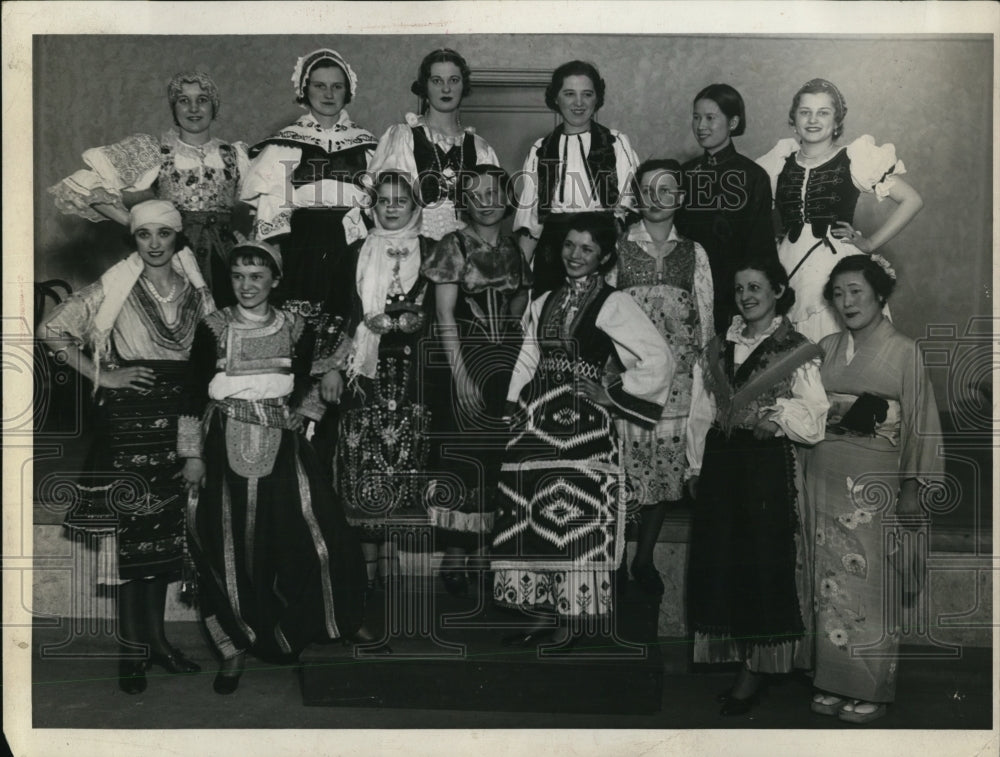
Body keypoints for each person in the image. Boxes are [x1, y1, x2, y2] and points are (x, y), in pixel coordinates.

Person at [178, 238, 378, 695]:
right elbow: (191, 393)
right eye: (237, 277)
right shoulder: (212, 327)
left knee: (320, 534)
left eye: (256, 277)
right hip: (222, 445)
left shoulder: (296, 326)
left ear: (275, 281)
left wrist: (306, 411)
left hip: (283, 445)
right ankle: (232, 650)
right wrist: (191, 454)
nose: (246, 286)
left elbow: (310, 377)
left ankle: (338, 620)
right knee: (228, 548)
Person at [40, 200, 215, 694]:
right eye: (145, 235)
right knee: (133, 542)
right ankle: (133, 651)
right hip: (130, 423)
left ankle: (157, 644)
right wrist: (105, 373)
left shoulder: (198, 292)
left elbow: (208, 360)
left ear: (178, 238)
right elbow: (50, 329)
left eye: (164, 234)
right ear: (133, 239)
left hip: (179, 416)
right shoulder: (116, 286)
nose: (155, 243)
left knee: (163, 542)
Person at [492, 212, 673, 647]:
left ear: (605, 256)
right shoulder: (543, 300)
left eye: (587, 249)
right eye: (570, 246)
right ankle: (539, 611)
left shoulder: (614, 303)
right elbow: (529, 357)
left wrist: (613, 393)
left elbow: (659, 357)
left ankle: (569, 621)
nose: (575, 255)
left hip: (584, 428)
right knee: (531, 515)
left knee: (572, 517)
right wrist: (512, 402)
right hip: (537, 422)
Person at [685, 256, 829, 716]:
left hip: (767, 469)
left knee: (761, 564)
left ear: (778, 292)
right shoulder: (716, 349)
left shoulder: (796, 348)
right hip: (723, 468)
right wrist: (693, 468)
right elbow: (699, 413)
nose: (746, 296)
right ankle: (741, 659)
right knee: (725, 560)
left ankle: (756, 670)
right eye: (740, 288)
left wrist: (779, 416)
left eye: (756, 288)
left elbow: (815, 418)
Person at [803, 255, 943, 724]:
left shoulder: (903, 350)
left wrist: (912, 488)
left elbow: (921, 425)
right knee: (828, 579)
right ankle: (831, 680)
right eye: (838, 294)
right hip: (825, 470)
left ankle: (872, 689)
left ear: (880, 294)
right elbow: (809, 412)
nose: (846, 302)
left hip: (875, 481)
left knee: (871, 581)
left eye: (856, 291)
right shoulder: (824, 346)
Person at [241, 48, 378, 469]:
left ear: (348, 91)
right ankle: (291, 442)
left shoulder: (369, 145)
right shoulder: (286, 143)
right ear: (305, 89)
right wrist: (278, 259)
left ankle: (334, 449)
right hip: (301, 246)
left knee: (348, 326)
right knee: (300, 337)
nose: (328, 93)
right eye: (319, 85)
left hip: (352, 246)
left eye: (337, 86)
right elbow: (272, 207)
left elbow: (378, 206)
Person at [421, 164, 532, 597]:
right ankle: (454, 552)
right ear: (465, 201)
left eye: (495, 193)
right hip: (462, 360)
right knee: (462, 456)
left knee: (496, 454)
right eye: (477, 193)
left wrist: (512, 328)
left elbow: (522, 297)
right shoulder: (453, 245)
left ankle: (486, 552)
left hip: (504, 362)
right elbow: (445, 315)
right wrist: (462, 374)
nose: (487, 201)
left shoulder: (512, 248)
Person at [49, 71, 250, 306]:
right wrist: (134, 222)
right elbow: (86, 184)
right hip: (171, 258)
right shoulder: (157, 151)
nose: (193, 108)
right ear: (174, 109)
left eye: (202, 100)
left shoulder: (237, 156)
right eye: (184, 101)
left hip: (224, 261)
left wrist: (248, 241)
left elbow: (267, 204)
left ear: (213, 107)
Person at [609, 159, 714, 594]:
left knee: (663, 470)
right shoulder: (616, 248)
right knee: (624, 469)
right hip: (629, 377)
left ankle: (645, 558)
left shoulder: (694, 252)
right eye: (648, 189)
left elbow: (705, 318)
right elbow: (604, 312)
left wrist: (703, 374)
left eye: (666, 189)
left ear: (680, 198)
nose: (657, 197)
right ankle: (613, 559)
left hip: (678, 383)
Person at [756, 78, 923, 343]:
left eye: (823, 112)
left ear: (837, 122)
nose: (813, 120)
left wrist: (869, 243)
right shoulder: (779, 162)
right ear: (793, 120)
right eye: (805, 112)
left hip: (836, 265)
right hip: (787, 265)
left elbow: (912, 200)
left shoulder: (854, 159)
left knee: (836, 346)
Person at [336, 171, 437, 594]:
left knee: (405, 471)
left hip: (414, 378)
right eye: (384, 201)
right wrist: (330, 368)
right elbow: (341, 312)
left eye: (401, 200)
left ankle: (395, 578)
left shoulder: (433, 252)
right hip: (365, 378)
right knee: (365, 472)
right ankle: (365, 579)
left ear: (416, 206)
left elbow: (445, 312)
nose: (392, 207)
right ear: (371, 206)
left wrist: (419, 320)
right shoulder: (357, 251)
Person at [514, 60, 640, 296]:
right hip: (554, 255)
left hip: (603, 253)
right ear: (555, 98)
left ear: (597, 98)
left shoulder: (616, 143)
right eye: (569, 94)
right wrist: (519, 282)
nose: (579, 103)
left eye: (587, 94)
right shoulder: (541, 149)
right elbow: (531, 224)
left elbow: (630, 210)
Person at [368, 48, 500, 240]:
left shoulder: (481, 148)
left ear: (464, 85)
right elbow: (383, 205)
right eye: (437, 81)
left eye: (453, 80)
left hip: (467, 253)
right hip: (413, 250)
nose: (446, 89)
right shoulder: (403, 138)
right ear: (425, 86)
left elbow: (491, 214)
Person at [677, 83, 777, 333]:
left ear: (732, 123)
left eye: (710, 118)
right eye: (697, 117)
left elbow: (760, 246)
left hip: (733, 295)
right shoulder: (684, 173)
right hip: (685, 291)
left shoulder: (753, 176)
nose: (701, 126)